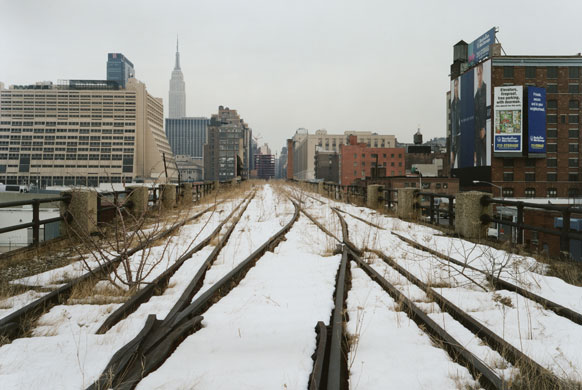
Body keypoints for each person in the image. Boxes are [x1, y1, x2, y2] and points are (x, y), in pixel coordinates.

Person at [474, 63, 487, 166]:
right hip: (476, 132)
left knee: (485, 159)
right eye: (477, 74)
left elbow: (486, 110)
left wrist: (483, 127)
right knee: (478, 161)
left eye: (480, 73)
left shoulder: (486, 90)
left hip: (484, 132)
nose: (479, 76)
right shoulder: (476, 94)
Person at [450, 78, 461, 168]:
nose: (455, 88)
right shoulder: (452, 104)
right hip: (453, 139)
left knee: (460, 164)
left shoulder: (462, 103)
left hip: (461, 138)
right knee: (452, 165)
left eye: (457, 85)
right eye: (455, 86)